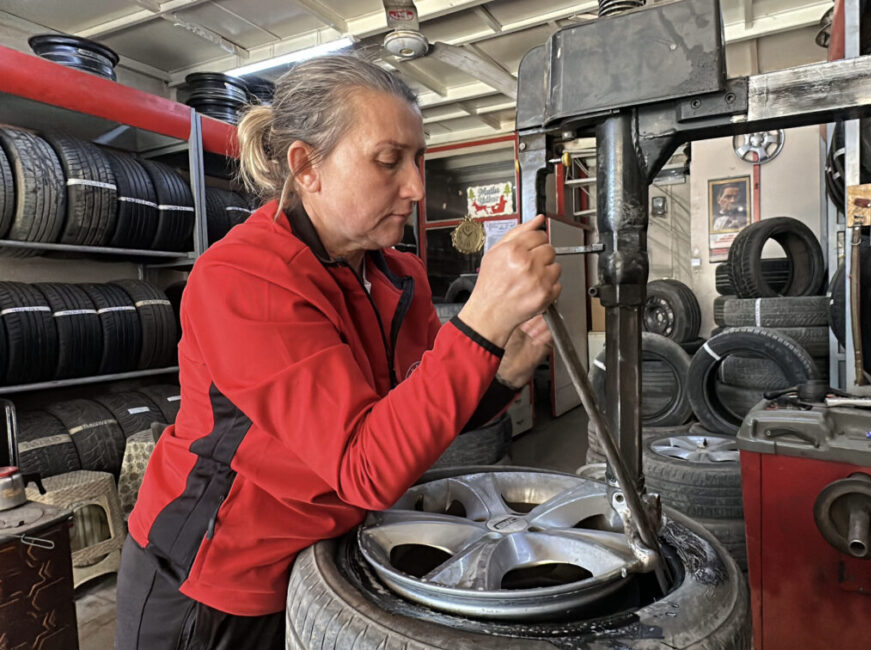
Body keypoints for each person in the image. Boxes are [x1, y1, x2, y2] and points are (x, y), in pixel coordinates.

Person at [115, 55, 561, 649]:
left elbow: (420, 415)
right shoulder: (243, 278)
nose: (416, 188)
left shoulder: (398, 275)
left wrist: (502, 374)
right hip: (216, 579)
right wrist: (479, 325)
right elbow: (365, 467)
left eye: (419, 160)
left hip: (327, 561)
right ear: (306, 167)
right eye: (388, 161)